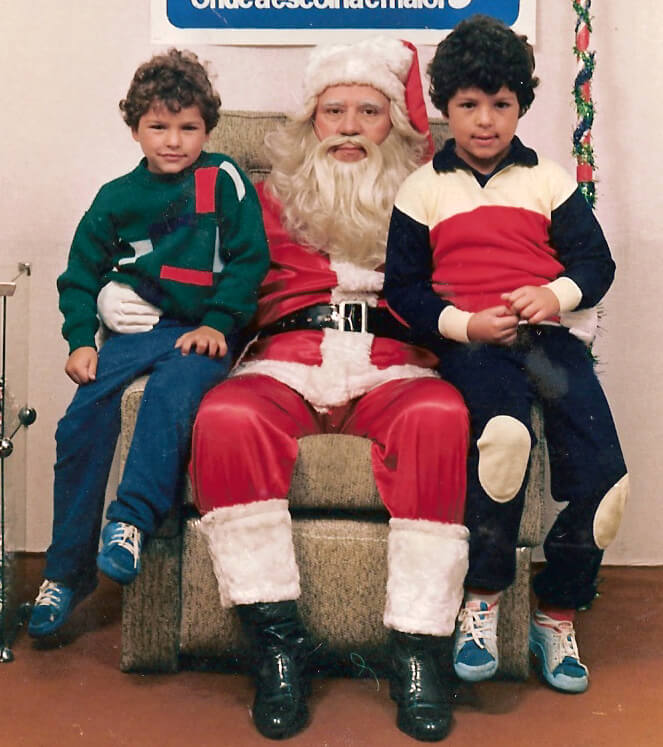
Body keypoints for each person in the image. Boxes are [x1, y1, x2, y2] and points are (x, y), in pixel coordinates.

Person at [100, 37, 470, 742]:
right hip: (285, 355)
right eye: (334, 110)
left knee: (440, 413)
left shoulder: (429, 195)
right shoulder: (261, 198)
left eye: (369, 111)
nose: (350, 127)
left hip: (393, 360)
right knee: (226, 416)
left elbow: (479, 269)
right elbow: (180, 258)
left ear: (394, 125)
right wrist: (114, 291)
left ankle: (418, 650)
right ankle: (275, 645)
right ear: (310, 122)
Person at [384, 15, 629, 695]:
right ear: (447, 107)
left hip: (547, 342)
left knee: (607, 485)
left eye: (501, 104)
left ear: (521, 105)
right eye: (469, 105)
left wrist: (554, 294)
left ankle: (556, 612)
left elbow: (596, 263)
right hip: (475, 348)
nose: (485, 121)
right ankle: (483, 599)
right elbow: (402, 290)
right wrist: (464, 324)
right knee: (503, 442)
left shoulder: (547, 180)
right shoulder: (423, 189)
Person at [27, 49, 269, 639]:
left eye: (189, 127)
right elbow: (79, 275)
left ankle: (129, 523)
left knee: (171, 394)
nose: (174, 141)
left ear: (207, 129)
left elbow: (250, 259)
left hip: (204, 330)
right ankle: (65, 572)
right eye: (159, 127)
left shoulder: (222, 178)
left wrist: (218, 322)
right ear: (134, 128)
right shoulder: (116, 196)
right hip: (138, 330)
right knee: (79, 422)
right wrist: (81, 339)